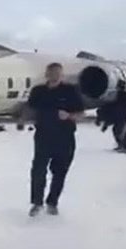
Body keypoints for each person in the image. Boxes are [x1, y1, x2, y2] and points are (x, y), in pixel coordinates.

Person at [23, 62, 85, 216]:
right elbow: (30, 108)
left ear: (61, 75)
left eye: (58, 73)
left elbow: (81, 114)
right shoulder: (38, 91)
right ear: (47, 74)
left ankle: (52, 202)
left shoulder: (70, 91)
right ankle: (37, 203)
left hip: (65, 138)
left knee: (60, 172)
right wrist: (22, 119)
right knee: (38, 170)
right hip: (43, 137)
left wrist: (69, 116)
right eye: (52, 72)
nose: (55, 75)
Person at [110, 80, 126, 153]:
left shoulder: (118, 95)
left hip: (122, 115)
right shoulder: (125, 95)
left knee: (120, 130)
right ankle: (121, 145)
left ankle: (124, 147)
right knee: (117, 130)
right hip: (122, 115)